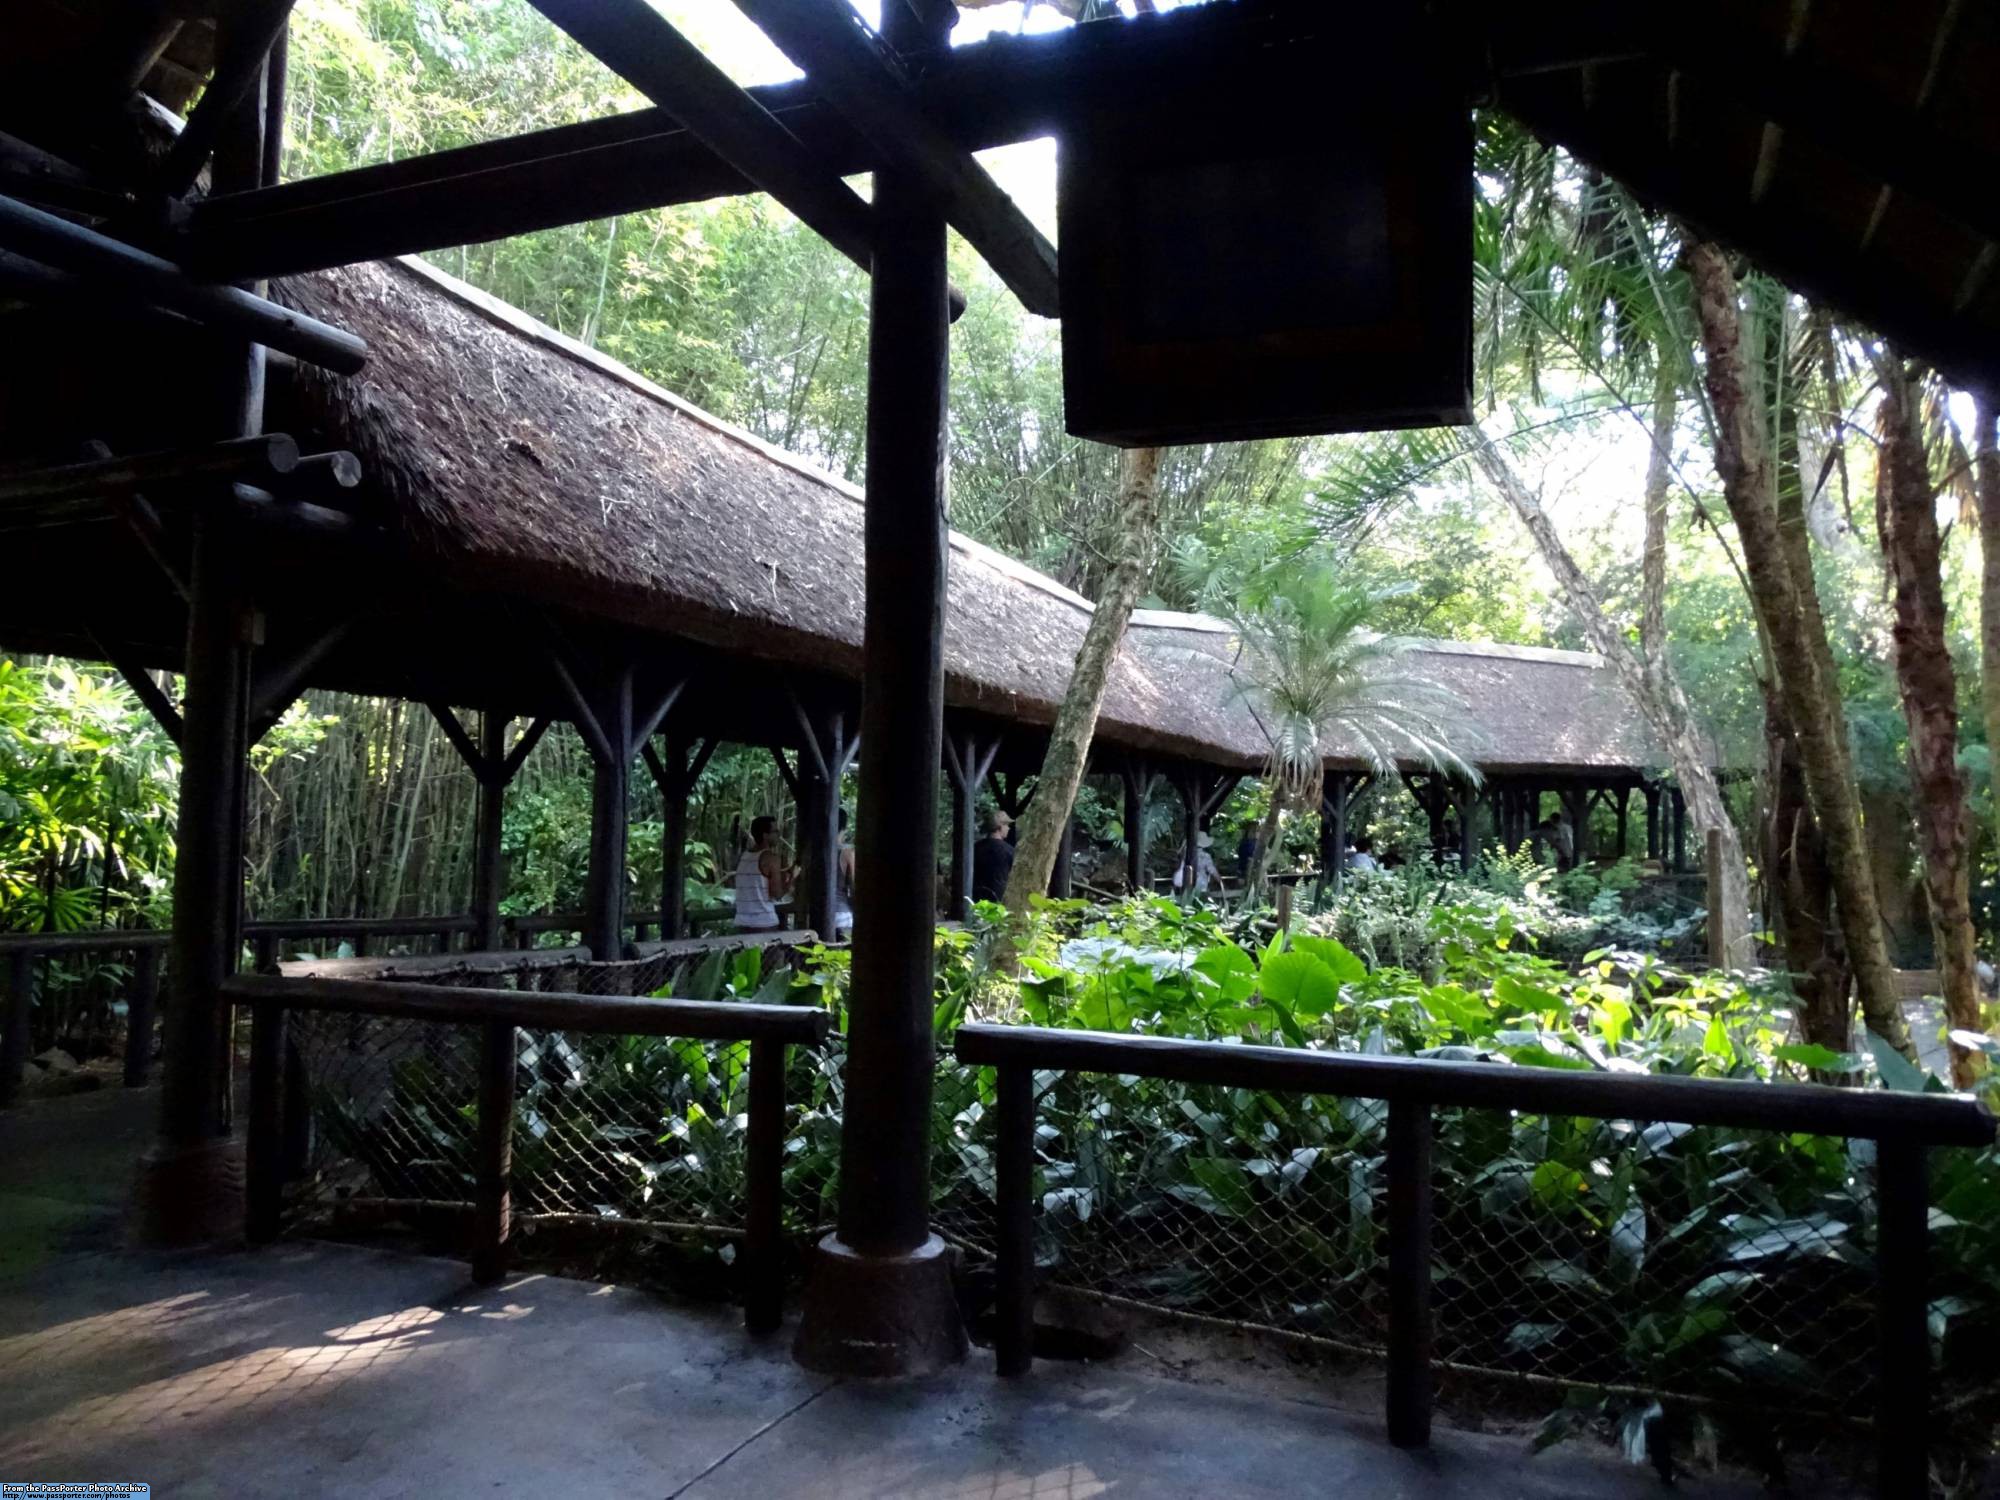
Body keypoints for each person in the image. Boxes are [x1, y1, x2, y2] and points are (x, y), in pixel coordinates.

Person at [733, 814, 791, 933]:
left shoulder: (743, 856)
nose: (778, 835)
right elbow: (777, 895)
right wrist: (793, 877)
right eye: (775, 831)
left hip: (742, 922)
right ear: (765, 835)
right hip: (764, 923)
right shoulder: (771, 858)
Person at [971, 809, 1015, 903]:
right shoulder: (1009, 851)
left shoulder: (975, 848)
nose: (1008, 828)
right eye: (1006, 825)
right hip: (1000, 901)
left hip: (976, 899)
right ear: (1000, 827)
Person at [833, 808, 856, 939]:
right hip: (841, 915)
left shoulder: (811, 851)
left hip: (815, 915)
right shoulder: (847, 853)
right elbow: (853, 889)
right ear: (844, 828)